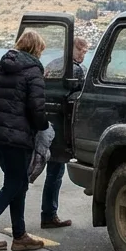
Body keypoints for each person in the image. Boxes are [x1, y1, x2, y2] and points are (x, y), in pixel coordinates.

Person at [0, 30, 50, 251]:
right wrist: (44, 126)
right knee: (15, 184)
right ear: (37, 49)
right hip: (16, 138)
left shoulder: (1, 67)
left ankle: (20, 236)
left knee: (18, 183)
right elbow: (37, 109)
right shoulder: (33, 71)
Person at [38, 36, 88, 229]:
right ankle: (49, 214)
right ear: (72, 49)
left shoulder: (52, 65)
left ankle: (45, 214)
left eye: (85, 51)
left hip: (46, 122)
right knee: (55, 172)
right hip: (63, 126)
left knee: (44, 169)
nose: (83, 54)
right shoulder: (77, 71)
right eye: (80, 50)